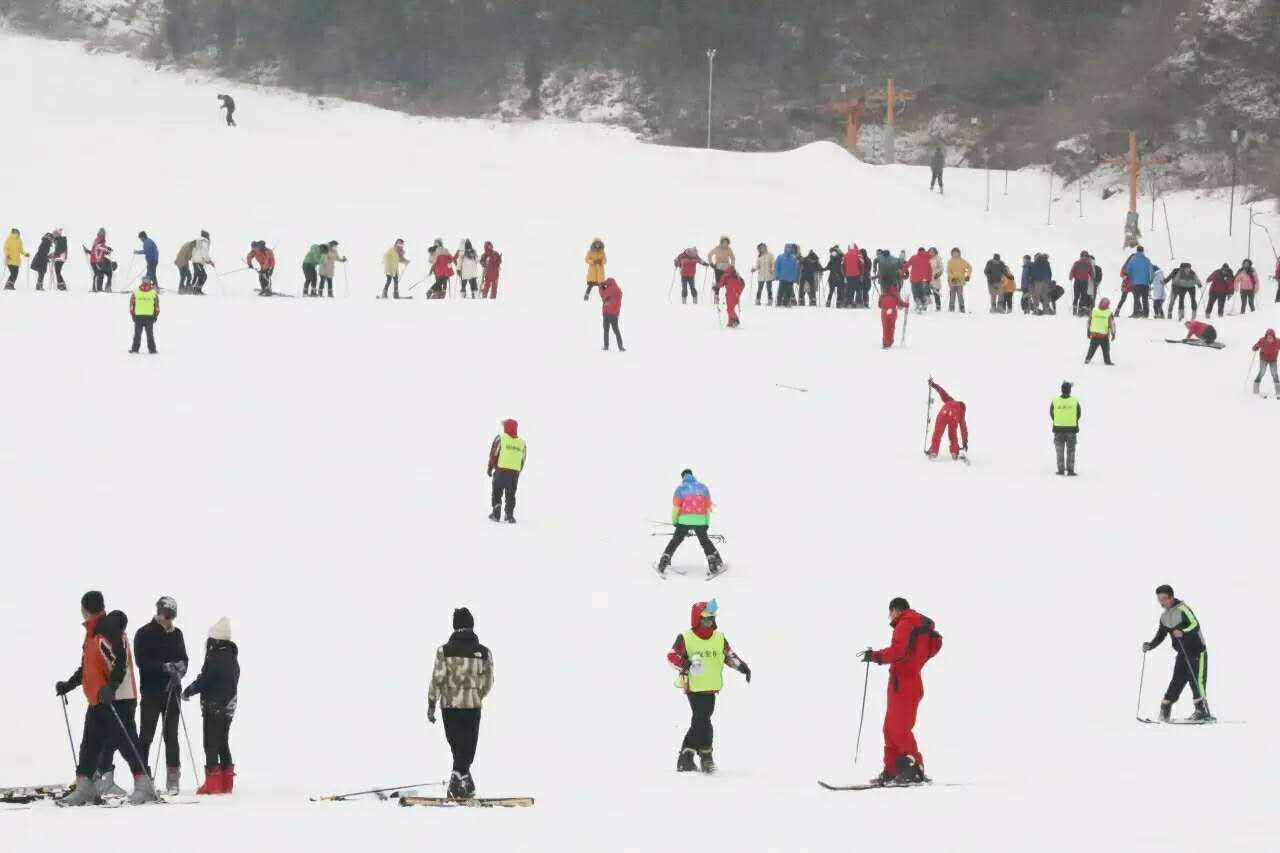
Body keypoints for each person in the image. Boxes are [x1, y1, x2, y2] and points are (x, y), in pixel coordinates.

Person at [55, 590, 157, 806]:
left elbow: (120, 661)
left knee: (127, 742)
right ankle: (85, 787)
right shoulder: (93, 633)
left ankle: (145, 786)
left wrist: (111, 687)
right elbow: (88, 669)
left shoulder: (107, 628)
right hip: (99, 698)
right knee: (90, 744)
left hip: (118, 698)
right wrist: (68, 685)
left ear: (85, 609)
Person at [858, 597, 942, 786]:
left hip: (904, 682)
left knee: (899, 728)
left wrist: (876, 656)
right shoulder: (917, 626)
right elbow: (918, 652)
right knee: (890, 728)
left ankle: (914, 769)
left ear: (896, 609)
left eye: (890, 613)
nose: (890, 617)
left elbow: (898, 651)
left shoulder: (906, 623)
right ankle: (893, 770)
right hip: (905, 681)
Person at [666, 599, 750, 774]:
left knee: (701, 720)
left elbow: (728, 655)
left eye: (711, 619)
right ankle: (705, 756)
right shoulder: (686, 637)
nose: (709, 623)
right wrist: (686, 664)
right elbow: (672, 656)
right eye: (705, 619)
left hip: (711, 686)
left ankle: (687, 755)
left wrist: (742, 667)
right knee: (703, 718)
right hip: (694, 686)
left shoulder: (719, 637)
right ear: (696, 620)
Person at [427, 607, 494, 800]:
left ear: (454, 626)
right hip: (472, 706)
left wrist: (432, 702)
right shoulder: (483, 652)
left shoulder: (444, 651)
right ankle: (461, 781)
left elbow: (437, 679)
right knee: (468, 746)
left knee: (457, 746)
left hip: (449, 706)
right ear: (472, 626)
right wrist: (477, 694)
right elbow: (488, 680)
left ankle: (460, 781)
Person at [134, 596, 188, 795]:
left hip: (172, 690)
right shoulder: (144, 633)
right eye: (166, 615)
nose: (169, 620)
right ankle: (142, 776)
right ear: (159, 613)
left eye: (171, 617)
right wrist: (163, 667)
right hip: (151, 691)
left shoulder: (177, 634)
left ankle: (173, 778)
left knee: (171, 735)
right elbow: (142, 661)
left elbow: (184, 658)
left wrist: (180, 669)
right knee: (146, 734)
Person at [182, 618, 240, 794]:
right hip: (229, 705)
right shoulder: (232, 657)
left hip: (214, 705)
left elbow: (206, 680)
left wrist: (189, 690)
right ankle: (226, 782)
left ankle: (213, 783)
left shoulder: (216, 657)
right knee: (223, 742)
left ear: (215, 639)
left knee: (211, 743)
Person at [1143, 585, 1211, 722]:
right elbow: (1161, 635)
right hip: (1182, 653)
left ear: (1171, 597)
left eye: (1164, 599)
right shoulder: (1164, 617)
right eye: (1159, 600)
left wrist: (1183, 632)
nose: (1162, 602)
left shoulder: (1183, 609)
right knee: (1177, 681)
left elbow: (1194, 624)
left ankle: (1202, 711)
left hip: (1197, 651)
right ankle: (1165, 710)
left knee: (1196, 680)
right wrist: (1150, 645)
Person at [656, 470, 725, 576]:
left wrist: (675, 522)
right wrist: (706, 523)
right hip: (700, 520)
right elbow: (707, 508)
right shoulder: (703, 488)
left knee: (675, 541)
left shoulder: (680, 489)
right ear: (692, 476)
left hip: (684, 520)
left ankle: (665, 559)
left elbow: (676, 508)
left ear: (683, 477)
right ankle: (714, 561)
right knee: (705, 541)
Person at [486, 419, 525, 523]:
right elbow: (523, 458)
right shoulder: (522, 443)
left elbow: (493, 453)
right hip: (514, 474)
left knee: (497, 492)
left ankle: (496, 513)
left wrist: (490, 468)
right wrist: (518, 471)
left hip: (501, 471)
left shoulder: (500, 438)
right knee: (511, 494)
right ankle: (509, 515)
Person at [925, 380, 968, 460]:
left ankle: (934, 451)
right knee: (953, 434)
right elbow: (963, 428)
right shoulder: (961, 412)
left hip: (943, 413)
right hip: (954, 417)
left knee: (938, 433)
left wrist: (934, 385)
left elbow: (942, 392)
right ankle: (954, 452)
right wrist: (965, 441)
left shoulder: (950, 400)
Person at [1050, 381, 1081, 476]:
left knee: (1059, 450)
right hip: (1071, 429)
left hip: (1058, 429)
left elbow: (1051, 413)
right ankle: (1070, 470)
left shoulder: (1055, 401)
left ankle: (1060, 469)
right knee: (1071, 450)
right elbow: (1078, 414)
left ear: (1061, 390)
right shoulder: (1075, 401)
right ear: (1070, 391)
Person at [129, 277, 160, 355]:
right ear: (150, 282)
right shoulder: (153, 293)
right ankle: (152, 350)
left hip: (138, 317)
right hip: (149, 317)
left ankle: (135, 349)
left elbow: (131, 306)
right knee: (150, 334)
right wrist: (155, 316)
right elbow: (157, 307)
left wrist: (133, 315)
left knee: (137, 334)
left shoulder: (136, 292)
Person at [1122, 246, 1154, 318]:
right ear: (1143, 251)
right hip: (1145, 283)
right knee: (1145, 299)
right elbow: (1151, 271)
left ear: (1137, 251)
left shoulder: (1132, 260)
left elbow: (1128, 269)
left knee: (1136, 298)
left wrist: (1132, 278)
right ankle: (1145, 314)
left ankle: (1136, 313)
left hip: (1135, 283)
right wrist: (1150, 280)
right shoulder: (1147, 260)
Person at [879, 278, 909, 349]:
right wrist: (906, 304)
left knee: (885, 327)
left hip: (884, 312)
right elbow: (900, 304)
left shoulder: (883, 295)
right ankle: (889, 341)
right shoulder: (895, 294)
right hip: (892, 312)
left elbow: (879, 305)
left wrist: (884, 305)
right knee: (891, 327)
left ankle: (885, 342)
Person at [1084, 297, 1116, 366]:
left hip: (1094, 335)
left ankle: (1087, 359)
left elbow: (1089, 322)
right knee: (1106, 349)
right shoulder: (1109, 313)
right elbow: (1112, 324)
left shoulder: (1094, 311)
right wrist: (1113, 334)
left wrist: (1088, 331)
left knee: (1092, 348)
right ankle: (1107, 361)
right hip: (1103, 336)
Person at [599, 277, 624, 351]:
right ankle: (620, 347)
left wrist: (601, 287)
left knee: (606, 330)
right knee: (616, 330)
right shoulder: (618, 290)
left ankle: (606, 346)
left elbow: (603, 295)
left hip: (606, 313)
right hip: (614, 314)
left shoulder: (608, 290)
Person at [1252, 328, 1280, 396]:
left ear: (1274, 337)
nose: (1269, 339)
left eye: (1271, 337)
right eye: (1268, 337)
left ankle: (1278, 391)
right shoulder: (1262, 340)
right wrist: (1255, 347)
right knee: (1262, 371)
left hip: (1273, 359)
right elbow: (1256, 346)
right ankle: (1256, 388)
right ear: (1266, 337)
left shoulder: (1278, 342)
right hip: (1263, 359)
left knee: (1274, 373)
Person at [707, 236, 735, 302]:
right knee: (719, 283)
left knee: (728, 283)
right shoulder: (717, 248)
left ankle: (728, 297)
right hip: (718, 268)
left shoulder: (729, 249)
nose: (725, 244)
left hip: (727, 268)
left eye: (727, 242)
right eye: (724, 242)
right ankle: (716, 296)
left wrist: (732, 266)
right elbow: (709, 255)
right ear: (721, 242)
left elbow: (733, 258)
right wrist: (711, 263)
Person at [941, 248, 970, 313]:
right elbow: (948, 271)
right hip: (952, 281)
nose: (955, 254)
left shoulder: (962, 261)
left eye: (956, 252)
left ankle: (962, 308)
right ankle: (951, 308)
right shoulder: (950, 261)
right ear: (951, 253)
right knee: (952, 295)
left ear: (959, 253)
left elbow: (970, 267)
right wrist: (952, 277)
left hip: (960, 281)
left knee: (960, 295)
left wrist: (968, 276)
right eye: (953, 253)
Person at [905, 247, 933, 313]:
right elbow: (930, 270)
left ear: (918, 251)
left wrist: (901, 272)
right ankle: (923, 303)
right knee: (921, 293)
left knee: (916, 293)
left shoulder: (914, 257)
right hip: (924, 280)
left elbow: (906, 265)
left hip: (914, 279)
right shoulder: (928, 259)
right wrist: (929, 279)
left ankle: (919, 305)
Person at [1069, 251, 1095, 317]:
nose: (1084, 257)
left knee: (1083, 297)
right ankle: (1075, 310)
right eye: (1083, 256)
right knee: (1077, 296)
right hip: (1078, 281)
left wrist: (1092, 277)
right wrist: (1071, 276)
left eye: (1085, 256)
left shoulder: (1088, 264)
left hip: (1084, 282)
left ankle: (1080, 311)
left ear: (1087, 257)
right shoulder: (1077, 263)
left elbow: (1091, 273)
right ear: (1080, 256)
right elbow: (1072, 270)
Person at [190, 230, 215, 295]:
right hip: (198, 262)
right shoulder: (204, 242)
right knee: (203, 276)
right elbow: (204, 253)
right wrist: (209, 261)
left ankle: (196, 290)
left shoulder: (199, 241)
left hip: (196, 261)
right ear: (206, 236)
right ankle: (196, 290)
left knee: (200, 276)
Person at [842, 244, 863, 309]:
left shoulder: (845, 255)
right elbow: (862, 264)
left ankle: (849, 303)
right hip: (857, 275)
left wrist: (844, 274)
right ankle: (859, 304)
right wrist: (861, 274)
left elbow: (842, 266)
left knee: (849, 289)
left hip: (848, 275)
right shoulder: (859, 254)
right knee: (858, 289)